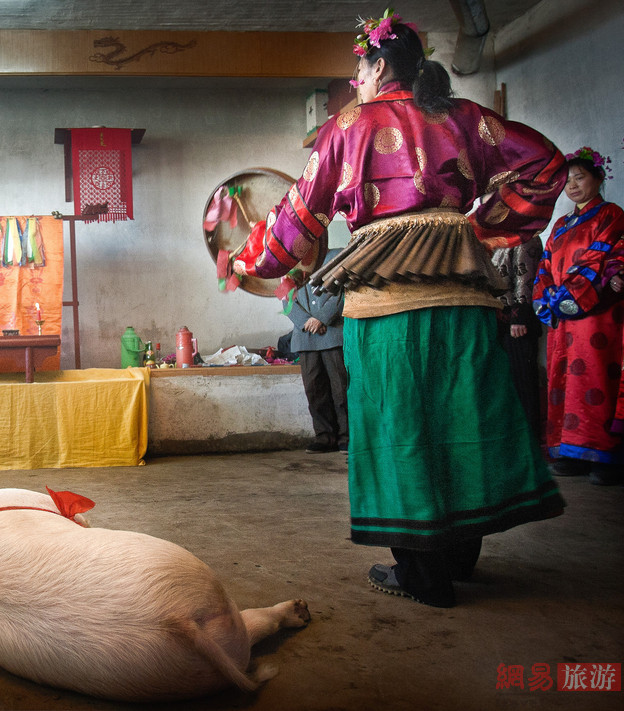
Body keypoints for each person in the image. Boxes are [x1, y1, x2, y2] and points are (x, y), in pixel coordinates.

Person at [232, 9, 566, 608]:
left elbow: (297, 219)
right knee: (463, 420)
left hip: (386, 307)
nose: (356, 80)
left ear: (379, 65)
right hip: (463, 302)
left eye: (359, 68)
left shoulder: (349, 125)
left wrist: (248, 262)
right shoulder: (465, 117)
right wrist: (477, 227)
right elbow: (546, 163)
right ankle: (460, 559)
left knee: (399, 427)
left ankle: (422, 574)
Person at [533, 146, 624, 485]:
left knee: (596, 379)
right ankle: (569, 451)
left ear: (599, 179)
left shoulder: (611, 216)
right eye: (567, 181)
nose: (572, 185)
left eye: (580, 178)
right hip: (563, 316)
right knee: (563, 381)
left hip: (596, 315)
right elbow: (545, 265)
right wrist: (546, 299)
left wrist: (571, 295)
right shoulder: (561, 223)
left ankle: (605, 457)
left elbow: (603, 259)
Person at [287, 248, 348, 453]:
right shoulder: (288, 266)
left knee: (341, 390)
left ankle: (346, 437)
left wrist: (322, 318)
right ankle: (324, 437)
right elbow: (285, 302)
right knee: (314, 390)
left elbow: (342, 292)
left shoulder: (336, 256)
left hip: (332, 335)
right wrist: (306, 322)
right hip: (305, 338)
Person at [492, 236, 544, 440]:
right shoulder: (495, 239)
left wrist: (519, 316)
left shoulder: (526, 238)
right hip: (497, 321)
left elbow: (527, 279)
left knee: (523, 380)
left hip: (516, 321)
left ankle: (529, 437)